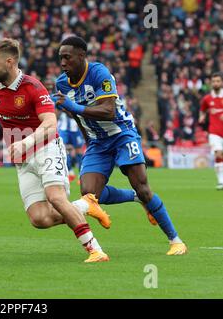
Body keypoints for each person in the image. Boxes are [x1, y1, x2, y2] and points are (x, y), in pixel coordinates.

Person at [0, 38, 111, 263]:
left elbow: (50, 123)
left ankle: (95, 250)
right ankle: (85, 205)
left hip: (46, 149)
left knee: (56, 198)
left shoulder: (33, 87)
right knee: (39, 219)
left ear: (10, 62)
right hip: (23, 159)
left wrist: (26, 142)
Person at [52, 36, 187, 256]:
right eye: (60, 58)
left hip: (122, 134)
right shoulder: (61, 83)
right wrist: (88, 140)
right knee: (89, 194)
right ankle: (135, 198)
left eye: (67, 57)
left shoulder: (99, 73)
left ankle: (176, 241)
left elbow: (109, 111)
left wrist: (74, 107)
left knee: (142, 187)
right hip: (98, 141)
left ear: (81, 56)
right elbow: (76, 116)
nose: (63, 63)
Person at [199, 72, 223, 190]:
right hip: (214, 132)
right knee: (218, 153)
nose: (216, 83)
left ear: (222, 82)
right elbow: (203, 109)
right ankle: (221, 181)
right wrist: (202, 116)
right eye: (214, 81)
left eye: (218, 81)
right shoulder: (207, 99)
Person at [57, 111, 85, 182]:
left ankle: (81, 175)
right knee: (62, 149)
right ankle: (70, 172)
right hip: (64, 130)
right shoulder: (58, 100)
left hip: (76, 129)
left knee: (78, 150)